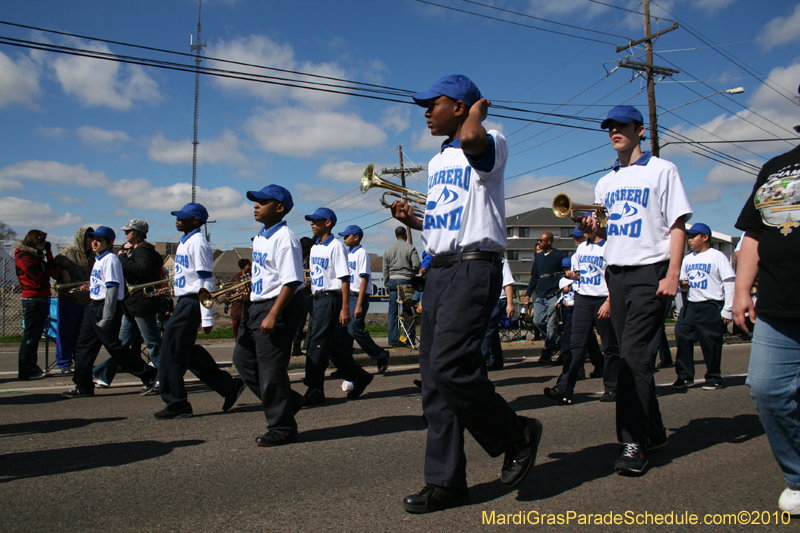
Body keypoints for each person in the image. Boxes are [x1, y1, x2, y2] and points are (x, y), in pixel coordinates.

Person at [392, 74, 543, 514]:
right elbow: (447, 220)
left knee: (450, 367)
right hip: (440, 270)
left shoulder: (490, 139)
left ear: (459, 107)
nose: (425, 112)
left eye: (433, 104)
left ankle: (517, 433)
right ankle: (446, 482)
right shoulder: (439, 159)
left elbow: (474, 137)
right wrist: (414, 220)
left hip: (474, 267)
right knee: (433, 380)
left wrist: (477, 112)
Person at [579, 105, 692, 476]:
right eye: (609, 127)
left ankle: (633, 443)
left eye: (622, 126)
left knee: (632, 358)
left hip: (650, 272)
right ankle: (654, 432)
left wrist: (672, 274)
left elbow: (678, 225)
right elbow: (609, 230)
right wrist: (594, 230)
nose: (614, 131)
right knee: (633, 357)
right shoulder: (605, 182)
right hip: (617, 272)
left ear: (640, 130)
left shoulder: (662, 169)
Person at [732, 115, 800, 515]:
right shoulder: (775, 167)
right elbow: (754, 235)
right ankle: (798, 476)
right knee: (768, 390)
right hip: (777, 303)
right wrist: (742, 290)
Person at [155, 203, 245, 419]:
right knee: (185, 351)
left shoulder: (198, 243)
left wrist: (207, 317)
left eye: (182, 217)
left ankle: (177, 403)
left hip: (193, 302)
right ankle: (228, 386)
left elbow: (206, 281)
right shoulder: (184, 241)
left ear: (196, 221)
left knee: (171, 351)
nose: (177, 220)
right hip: (184, 300)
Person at [232, 185, 306, 447]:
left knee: (271, 369)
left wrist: (273, 313)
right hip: (257, 305)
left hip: (278, 306)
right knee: (242, 359)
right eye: (256, 201)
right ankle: (289, 401)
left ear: (279, 208)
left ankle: (282, 427)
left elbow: (291, 281)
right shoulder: (261, 237)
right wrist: (250, 295)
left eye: (262, 202)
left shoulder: (285, 238)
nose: (256, 205)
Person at [61, 227, 158, 398]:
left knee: (115, 348)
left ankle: (148, 374)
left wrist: (107, 316)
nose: (94, 242)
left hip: (105, 308)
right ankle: (83, 385)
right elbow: (102, 285)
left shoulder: (111, 259)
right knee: (83, 348)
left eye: (99, 240)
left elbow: (112, 288)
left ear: (110, 243)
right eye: (93, 239)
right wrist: (91, 289)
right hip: (93, 307)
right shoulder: (98, 259)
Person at [302, 207, 373, 406]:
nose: (312, 223)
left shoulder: (336, 246)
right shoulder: (315, 247)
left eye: (316, 220)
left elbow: (344, 279)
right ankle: (358, 375)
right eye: (311, 220)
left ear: (328, 223)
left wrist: (345, 307)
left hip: (330, 298)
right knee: (332, 344)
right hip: (317, 297)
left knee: (316, 343)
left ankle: (315, 387)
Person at [545, 220, 619, 405]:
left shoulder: (609, 247)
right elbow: (582, 275)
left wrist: (609, 302)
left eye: (587, 227)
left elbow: (615, 278)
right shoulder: (581, 249)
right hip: (583, 298)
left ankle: (613, 387)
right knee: (575, 344)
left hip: (603, 298)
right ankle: (564, 389)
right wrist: (574, 276)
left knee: (609, 345)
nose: (584, 232)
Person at [93, 219, 164, 391]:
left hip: (142, 304)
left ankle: (163, 376)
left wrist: (122, 258)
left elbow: (141, 270)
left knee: (152, 342)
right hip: (132, 304)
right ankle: (103, 374)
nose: (126, 234)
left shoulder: (143, 250)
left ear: (138, 233)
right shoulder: (135, 250)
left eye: (129, 231)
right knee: (122, 345)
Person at [672, 223, 735, 391]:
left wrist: (727, 310)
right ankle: (684, 376)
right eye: (689, 236)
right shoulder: (688, 259)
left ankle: (713, 377)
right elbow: (684, 284)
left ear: (705, 237)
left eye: (694, 236)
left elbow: (729, 282)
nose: (690, 240)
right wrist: (684, 285)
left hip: (711, 304)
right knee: (682, 334)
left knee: (710, 343)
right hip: (692, 304)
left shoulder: (717, 256)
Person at [337, 225, 390, 373]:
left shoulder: (362, 254)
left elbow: (364, 279)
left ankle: (380, 354)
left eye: (347, 236)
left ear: (356, 237)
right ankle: (346, 367)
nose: (344, 238)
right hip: (346, 296)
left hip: (357, 296)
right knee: (343, 333)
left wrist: (359, 303)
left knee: (354, 329)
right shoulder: (346, 254)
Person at [15, 229, 56, 380]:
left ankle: (32, 366)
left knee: (36, 335)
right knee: (30, 335)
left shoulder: (37, 257)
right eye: (40, 241)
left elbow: (52, 272)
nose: (43, 244)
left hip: (42, 297)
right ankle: (26, 369)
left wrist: (49, 254)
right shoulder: (23, 256)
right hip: (32, 298)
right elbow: (38, 277)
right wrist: (45, 276)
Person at [53, 226, 94, 374]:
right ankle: (64, 362)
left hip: (86, 299)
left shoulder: (94, 255)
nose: (91, 240)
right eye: (89, 236)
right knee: (66, 332)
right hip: (69, 298)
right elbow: (54, 268)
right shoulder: (67, 253)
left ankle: (80, 361)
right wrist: (63, 272)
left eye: (93, 237)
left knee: (82, 334)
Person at [524, 231, 566, 363]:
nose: (539, 242)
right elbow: (534, 277)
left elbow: (565, 273)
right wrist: (528, 293)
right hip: (540, 295)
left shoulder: (559, 256)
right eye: (539, 240)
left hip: (554, 295)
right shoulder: (538, 257)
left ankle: (547, 353)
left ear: (549, 241)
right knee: (537, 321)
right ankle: (558, 342)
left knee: (551, 325)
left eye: (541, 240)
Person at [383, 226, 421, 347]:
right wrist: (412, 272)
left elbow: (385, 270)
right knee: (408, 310)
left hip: (392, 281)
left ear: (396, 236)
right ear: (405, 235)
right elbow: (417, 265)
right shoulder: (410, 248)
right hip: (406, 281)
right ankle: (409, 339)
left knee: (392, 311)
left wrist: (386, 285)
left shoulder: (388, 249)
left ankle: (393, 340)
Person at [481, 258, 514, 371]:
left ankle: (480, 362)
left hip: (500, 299)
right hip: (489, 299)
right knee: (492, 330)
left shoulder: (502, 262)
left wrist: (510, 304)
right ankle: (496, 360)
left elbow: (508, 283)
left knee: (487, 328)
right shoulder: (484, 260)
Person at [230, 258, 252, 340]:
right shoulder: (236, 278)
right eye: (249, 265)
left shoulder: (253, 277)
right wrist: (236, 292)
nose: (251, 267)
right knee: (236, 325)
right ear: (243, 267)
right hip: (237, 308)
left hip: (249, 307)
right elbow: (230, 292)